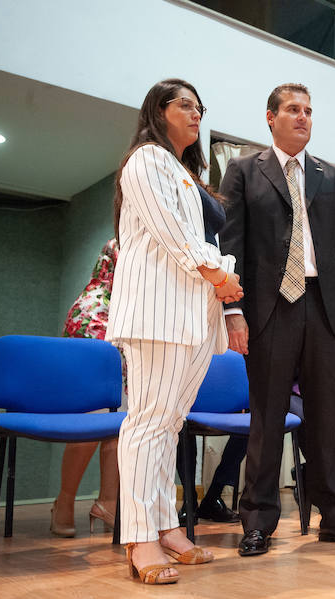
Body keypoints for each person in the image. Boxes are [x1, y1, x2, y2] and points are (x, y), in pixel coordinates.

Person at [219, 83, 335, 556]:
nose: (303, 117)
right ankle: (258, 523)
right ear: (271, 117)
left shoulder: (334, 177)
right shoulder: (244, 171)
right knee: (266, 417)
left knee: (326, 418)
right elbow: (231, 245)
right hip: (269, 308)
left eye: (308, 111)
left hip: (325, 308)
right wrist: (233, 310)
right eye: (292, 110)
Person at [107, 78, 243, 585]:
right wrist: (221, 275)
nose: (196, 114)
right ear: (157, 110)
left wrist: (224, 278)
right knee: (147, 423)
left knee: (169, 425)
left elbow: (205, 239)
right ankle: (139, 538)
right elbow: (173, 234)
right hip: (157, 312)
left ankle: (166, 525)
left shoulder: (186, 173)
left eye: (200, 107)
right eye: (184, 105)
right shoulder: (145, 159)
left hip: (192, 316)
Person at [51, 239, 122, 538]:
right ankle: (64, 501)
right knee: (94, 412)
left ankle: (108, 501)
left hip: (124, 318)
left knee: (122, 418)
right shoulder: (123, 241)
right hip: (97, 316)